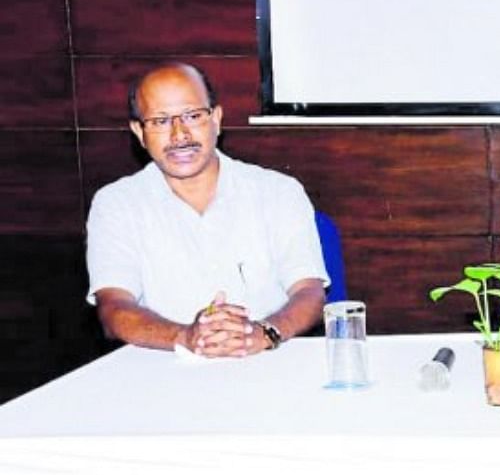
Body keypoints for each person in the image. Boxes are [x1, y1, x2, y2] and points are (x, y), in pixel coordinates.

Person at [86, 62, 328, 357]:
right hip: (164, 368)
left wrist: (264, 332)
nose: (179, 135)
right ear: (139, 132)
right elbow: (114, 309)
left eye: (192, 116)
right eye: (160, 121)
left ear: (216, 119)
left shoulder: (278, 191)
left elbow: (310, 293)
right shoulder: (116, 203)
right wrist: (187, 337)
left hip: (269, 360)